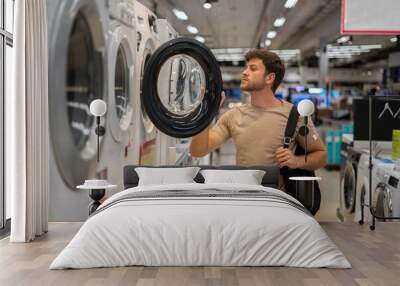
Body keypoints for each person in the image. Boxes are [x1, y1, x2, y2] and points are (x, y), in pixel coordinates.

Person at [189, 48, 327, 189]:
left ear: (269, 78)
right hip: (245, 198)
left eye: (253, 69)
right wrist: (205, 111)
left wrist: (296, 161)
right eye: (246, 68)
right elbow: (198, 150)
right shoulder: (234, 115)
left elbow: (321, 155)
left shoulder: (295, 116)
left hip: (279, 202)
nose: (244, 72)